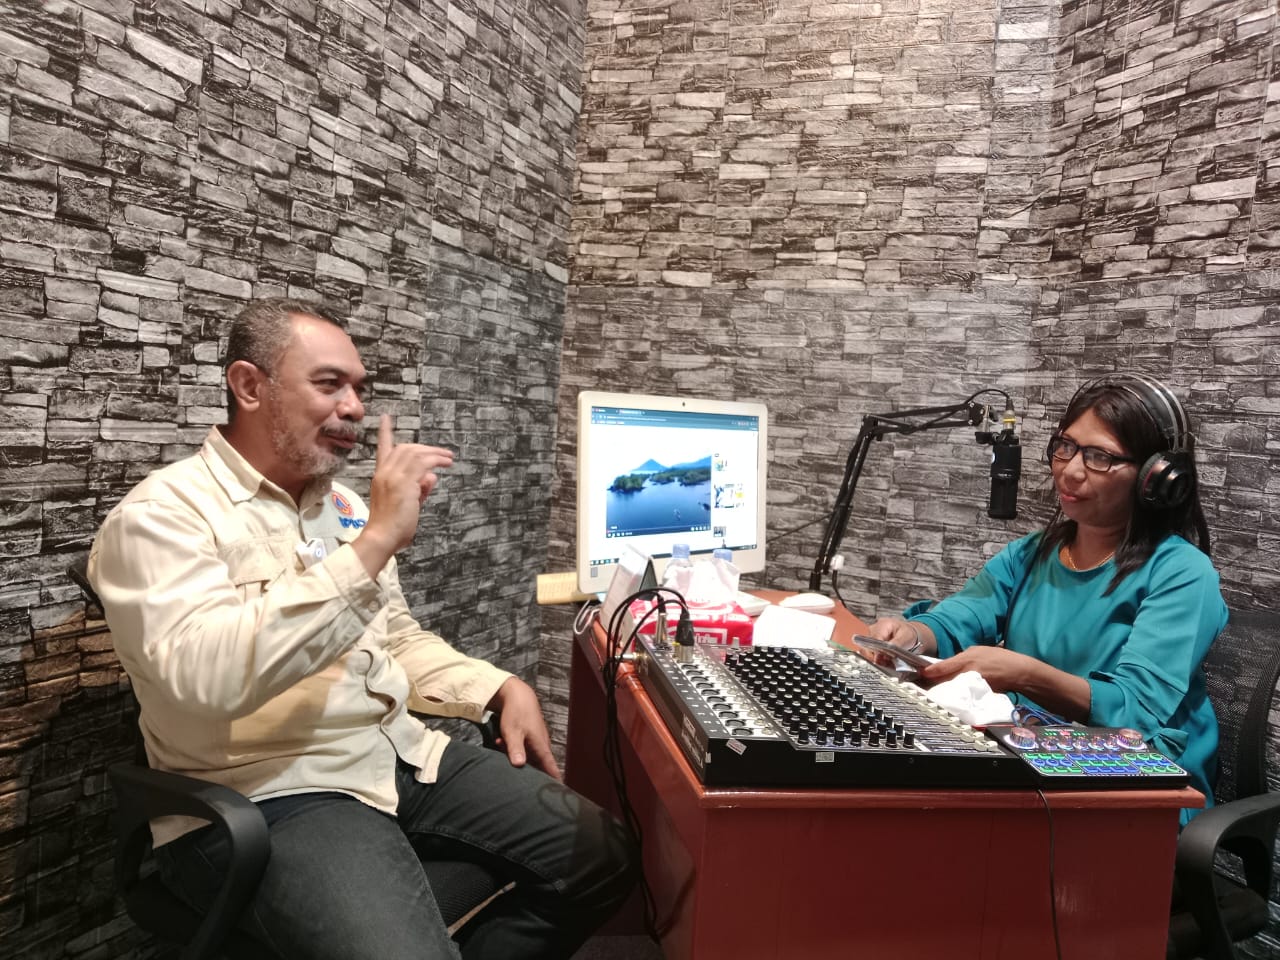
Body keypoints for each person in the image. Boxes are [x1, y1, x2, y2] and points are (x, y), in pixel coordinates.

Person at [88, 297, 636, 959]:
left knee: (599, 854)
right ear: (249, 386)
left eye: (358, 388)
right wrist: (375, 542)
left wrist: (494, 686)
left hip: (395, 753)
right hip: (270, 789)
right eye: (329, 384)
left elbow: (394, 638)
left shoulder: (343, 508)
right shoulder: (161, 516)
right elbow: (206, 681)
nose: (354, 408)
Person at [869, 374, 1227, 824]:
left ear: (1155, 478)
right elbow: (961, 616)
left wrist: (1024, 674)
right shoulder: (1032, 552)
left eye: (1100, 457)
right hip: (1033, 762)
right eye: (1066, 447)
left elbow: (1136, 711)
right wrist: (912, 636)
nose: (1070, 470)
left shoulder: (1182, 573)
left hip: (1139, 796)